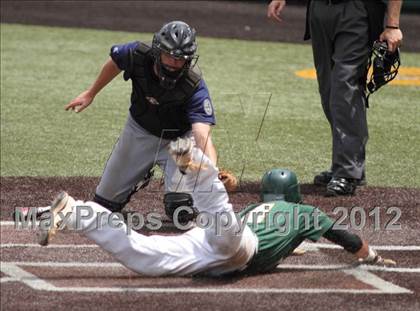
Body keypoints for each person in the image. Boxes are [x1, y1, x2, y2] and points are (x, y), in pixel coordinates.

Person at [37, 137, 394, 277]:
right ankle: (193, 161)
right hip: (236, 249)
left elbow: (286, 239)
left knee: (145, 253)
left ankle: (74, 211)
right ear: (294, 195)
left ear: (268, 194)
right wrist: (372, 255)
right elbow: (344, 236)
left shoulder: (257, 209)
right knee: (215, 221)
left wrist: (294, 246)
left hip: (210, 243)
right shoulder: (306, 214)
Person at [65, 21, 218, 213]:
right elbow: (115, 62)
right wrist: (91, 93)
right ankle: (140, 174)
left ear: (188, 60)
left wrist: (212, 171)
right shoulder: (136, 53)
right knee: (104, 206)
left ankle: (182, 195)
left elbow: (202, 135)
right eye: (169, 56)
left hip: (179, 142)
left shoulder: (194, 86)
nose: (173, 63)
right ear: (157, 51)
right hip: (139, 130)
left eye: (180, 59)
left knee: (181, 208)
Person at [267, 0, 403, 196]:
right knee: (328, 90)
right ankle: (347, 164)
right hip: (319, 9)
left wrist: (392, 25)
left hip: (355, 10)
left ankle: (348, 171)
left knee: (344, 87)